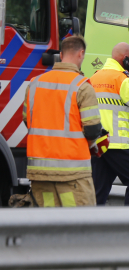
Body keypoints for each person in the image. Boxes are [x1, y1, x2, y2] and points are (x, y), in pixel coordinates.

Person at [22, 36, 106, 207]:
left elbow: (27, 120)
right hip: (73, 174)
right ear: (81, 53)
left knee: (48, 221)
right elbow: (92, 129)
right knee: (78, 221)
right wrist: (93, 145)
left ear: (61, 55)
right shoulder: (83, 86)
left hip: (40, 172)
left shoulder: (34, 84)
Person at [89, 42, 129, 205]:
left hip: (98, 143)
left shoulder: (94, 77)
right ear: (125, 59)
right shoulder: (122, 79)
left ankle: (90, 220)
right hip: (116, 144)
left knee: (99, 190)